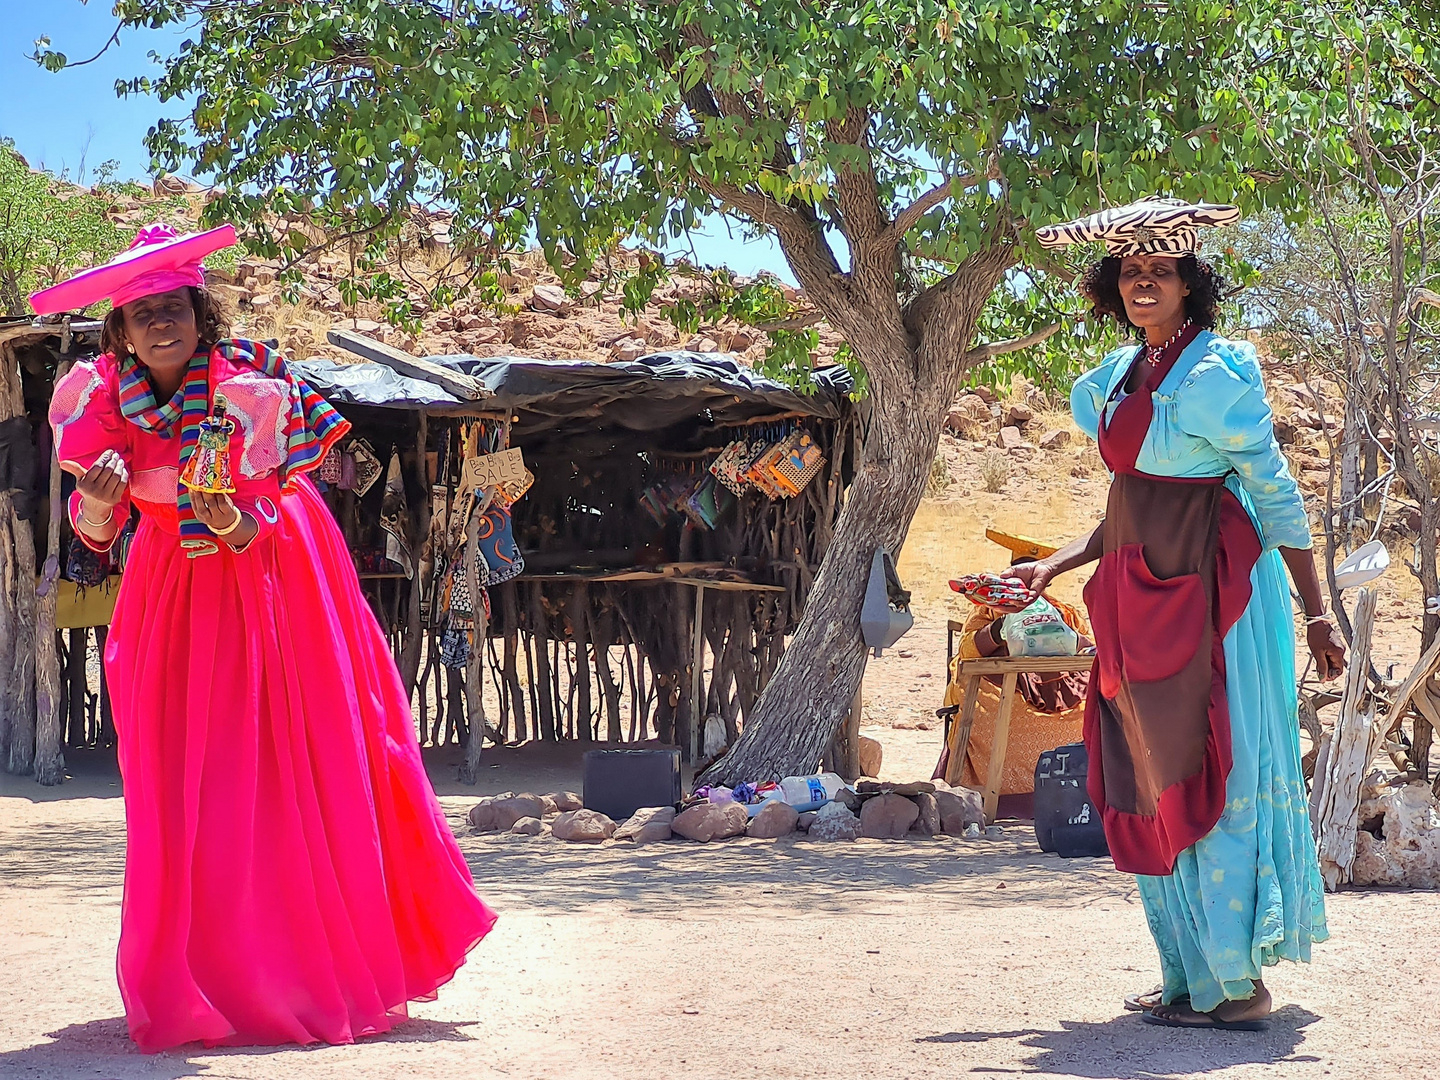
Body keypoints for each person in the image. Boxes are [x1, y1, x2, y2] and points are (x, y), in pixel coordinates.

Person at [34, 223, 496, 1052]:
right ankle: (205, 976)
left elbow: (274, 512)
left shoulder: (253, 386)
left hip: (275, 583)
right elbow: (96, 536)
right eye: (142, 314)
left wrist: (230, 518)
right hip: (170, 596)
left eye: (174, 306)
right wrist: (101, 500)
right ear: (121, 333)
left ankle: (293, 972)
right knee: (185, 783)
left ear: (199, 314)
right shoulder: (101, 404)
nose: (160, 324)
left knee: (286, 764)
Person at [999, 198, 1347, 1030]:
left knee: (1210, 767)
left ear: (1191, 284)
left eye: (1160, 271)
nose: (1143, 283)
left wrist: (1320, 611)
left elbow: (1275, 493)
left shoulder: (1216, 376)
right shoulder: (1119, 378)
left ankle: (1240, 985)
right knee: (1152, 775)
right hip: (1135, 600)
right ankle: (1190, 977)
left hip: (1214, 596)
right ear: (1111, 285)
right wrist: (1052, 562)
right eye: (1130, 271)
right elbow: (1131, 500)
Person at [934, 537, 1093, 818]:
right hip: (1006, 686)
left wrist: (1055, 631)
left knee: (1086, 710)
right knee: (992, 710)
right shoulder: (988, 608)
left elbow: (1084, 647)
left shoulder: (1063, 612)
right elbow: (968, 651)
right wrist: (1001, 629)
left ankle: (1072, 792)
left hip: (1057, 685)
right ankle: (994, 799)